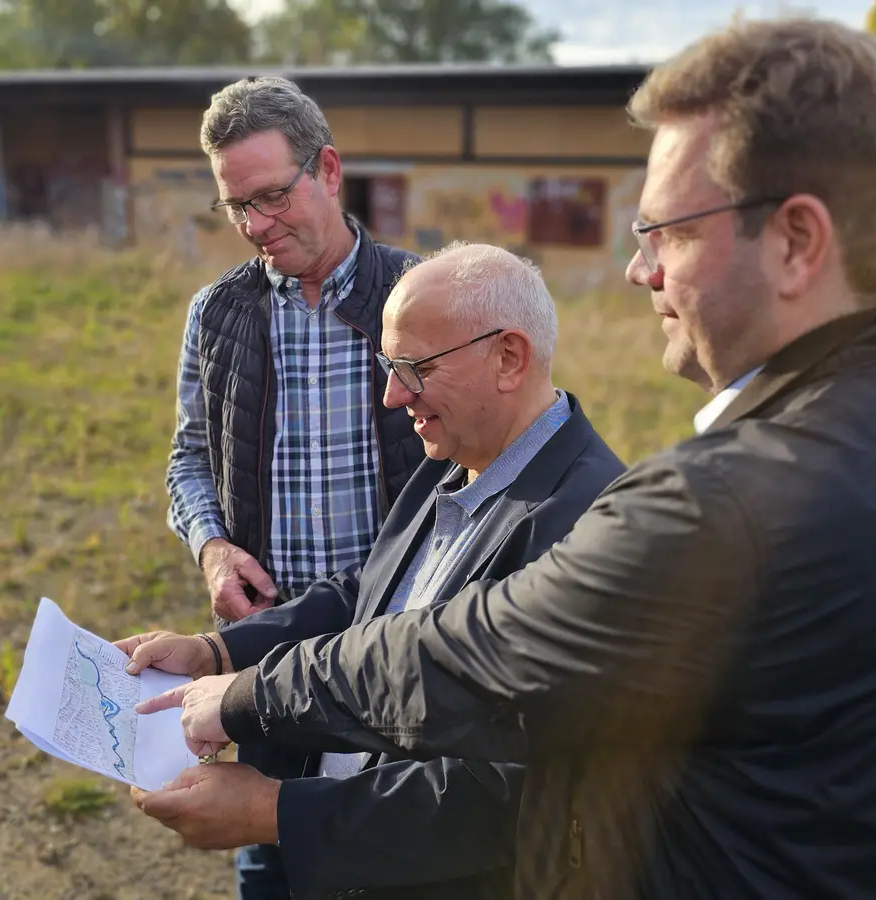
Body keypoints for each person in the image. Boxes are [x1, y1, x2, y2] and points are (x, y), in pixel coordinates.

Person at [175, 19, 876, 900]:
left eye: (666, 231)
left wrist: (237, 698)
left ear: (796, 243)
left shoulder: (725, 508)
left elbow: (464, 662)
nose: (639, 270)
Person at [122, 243, 627, 900]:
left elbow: (508, 791)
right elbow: (367, 598)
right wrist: (214, 651)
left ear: (509, 357)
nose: (391, 396)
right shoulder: (457, 456)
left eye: (413, 368)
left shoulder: (584, 525)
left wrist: (273, 813)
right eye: (388, 366)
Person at [163, 74, 425, 899]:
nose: (257, 227)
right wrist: (211, 549)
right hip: (264, 644)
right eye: (236, 207)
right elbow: (188, 459)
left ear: (330, 170)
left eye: (274, 196)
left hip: (398, 646)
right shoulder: (217, 314)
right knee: (266, 852)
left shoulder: (418, 297)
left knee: (391, 848)